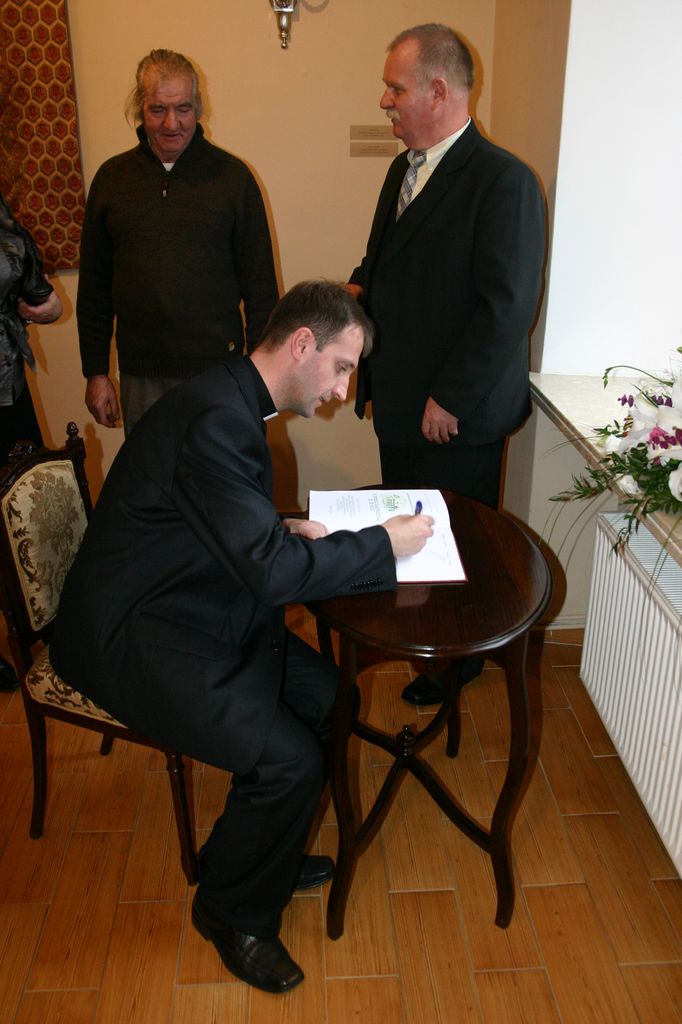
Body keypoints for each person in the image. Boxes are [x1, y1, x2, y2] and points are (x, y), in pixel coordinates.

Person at [49, 280, 433, 994]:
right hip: (134, 632)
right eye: (342, 367)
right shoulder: (220, 420)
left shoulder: (228, 398)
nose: (343, 390)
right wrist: (383, 544)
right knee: (291, 762)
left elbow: (215, 517)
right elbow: (272, 576)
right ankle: (230, 914)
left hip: (185, 593)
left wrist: (277, 527)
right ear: (301, 344)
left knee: (329, 698)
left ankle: (260, 853)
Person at [348, 24, 545, 706]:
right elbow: (384, 261)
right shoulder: (403, 169)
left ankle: (455, 661)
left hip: (454, 415)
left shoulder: (504, 181)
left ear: (438, 91)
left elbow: (506, 308)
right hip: (400, 401)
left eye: (394, 88)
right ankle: (421, 638)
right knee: (412, 538)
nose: (385, 101)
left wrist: (451, 396)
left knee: (456, 547)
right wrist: (354, 292)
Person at [77, 48, 279, 435]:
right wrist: (96, 372)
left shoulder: (233, 179)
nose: (172, 123)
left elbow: (261, 291)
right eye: (158, 109)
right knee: (149, 474)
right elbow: (94, 291)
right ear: (140, 108)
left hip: (220, 373)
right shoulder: (112, 181)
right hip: (141, 378)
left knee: (220, 471)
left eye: (183, 108)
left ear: (198, 107)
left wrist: (260, 376)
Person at [0, 62, 62, 692]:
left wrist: (41, 304)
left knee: (20, 499)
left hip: (6, 381)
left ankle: (36, 623)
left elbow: (38, 289)